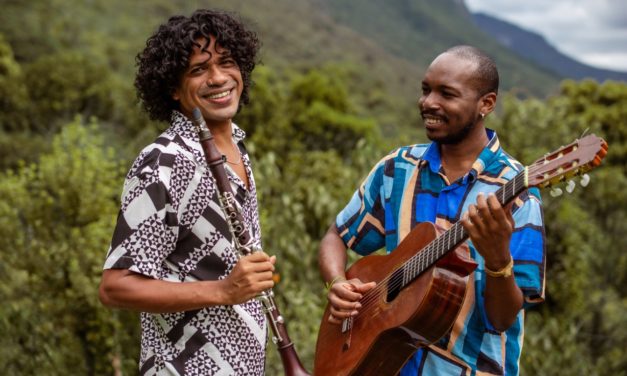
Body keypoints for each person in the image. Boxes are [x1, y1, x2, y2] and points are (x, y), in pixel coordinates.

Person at [318, 45, 545, 375]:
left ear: (486, 104)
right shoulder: (397, 169)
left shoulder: (519, 195)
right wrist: (337, 283)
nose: (429, 103)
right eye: (426, 90)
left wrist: (498, 259)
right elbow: (335, 237)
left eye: (447, 94)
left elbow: (502, 319)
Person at [99, 9, 276, 375]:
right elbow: (116, 286)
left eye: (227, 62)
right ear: (174, 89)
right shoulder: (163, 162)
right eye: (198, 70)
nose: (218, 78)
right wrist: (225, 290)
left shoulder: (237, 149)